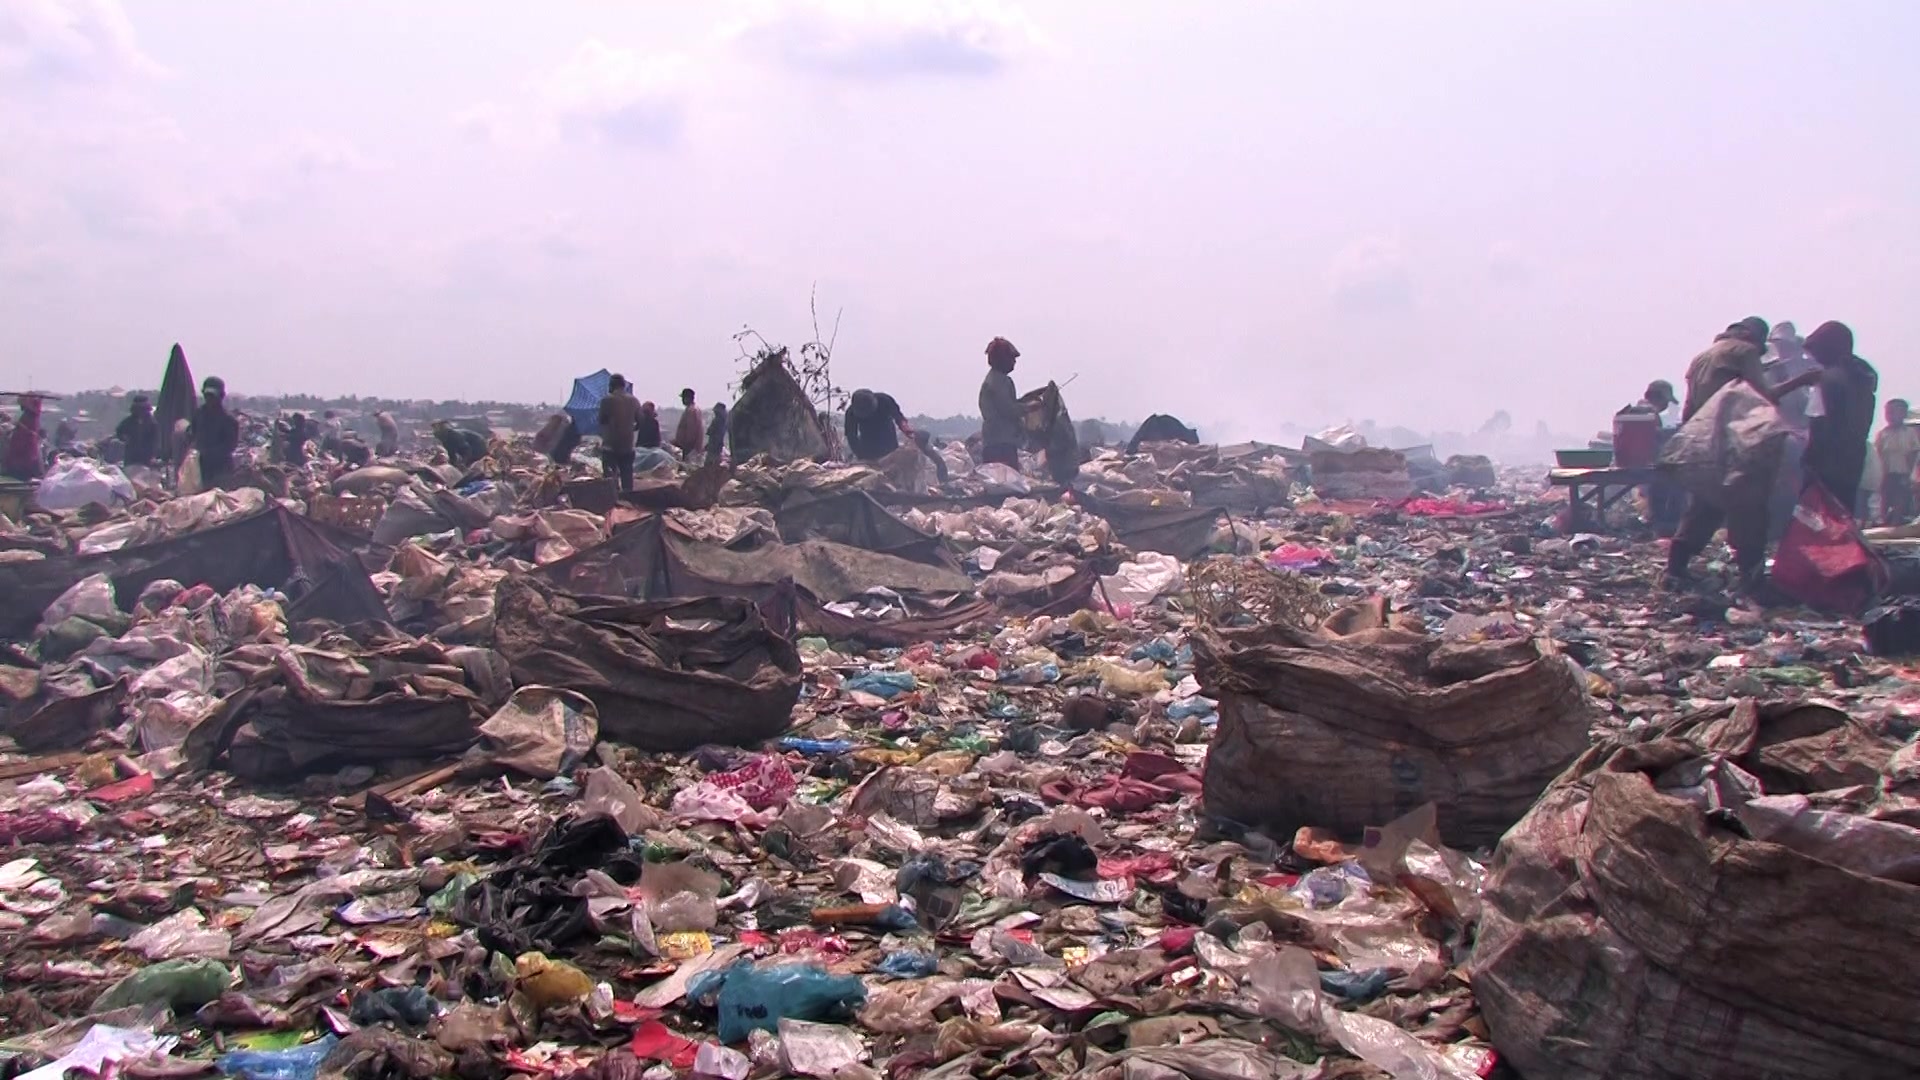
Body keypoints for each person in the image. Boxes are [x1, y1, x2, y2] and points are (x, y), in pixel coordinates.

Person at [1667, 318, 1813, 588]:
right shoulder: (1743, 352)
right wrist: (1803, 380)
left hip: (1707, 442)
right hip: (1737, 442)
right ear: (1754, 337)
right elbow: (1763, 395)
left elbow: (1688, 410)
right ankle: (1751, 574)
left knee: (1703, 506)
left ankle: (1675, 568)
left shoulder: (1701, 358)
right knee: (1750, 508)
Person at [186, 377, 241, 489]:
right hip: (201, 467)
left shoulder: (228, 419)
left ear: (221, 396)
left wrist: (210, 452)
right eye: (207, 395)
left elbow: (231, 445)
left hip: (221, 469)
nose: (209, 399)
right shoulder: (199, 414)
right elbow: (192, 434)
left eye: (212, 396)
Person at [979, 337, 1023, 468]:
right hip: (1001, 444)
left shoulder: (992, 379)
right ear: (1002, 359)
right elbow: (1009, 410)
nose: (1014, 362)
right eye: (1011, 358)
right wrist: (1029, 407)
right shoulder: (1000, 381)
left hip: (992, 442)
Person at [1874, 398, 1919, 525]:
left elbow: (1913, 453)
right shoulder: (1882, 434)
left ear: (1904, 414)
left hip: (1903, 472)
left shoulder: (1909, 433)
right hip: (1886, 472)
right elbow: (1879, 454)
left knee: (1900, 499)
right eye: (1888, 413)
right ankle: (1883, 522)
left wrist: (1909, 474)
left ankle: (1896, 523)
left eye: (1895, 412)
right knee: (1885, 499)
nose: (1891, 416)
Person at [597, 374, 642, 492]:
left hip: (610, 446)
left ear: (612, 385)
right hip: (627, 446)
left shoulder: (606, 400)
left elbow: (602, 420)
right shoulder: (634, 401)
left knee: (610, 480)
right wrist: (630, 428)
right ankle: (628, 502)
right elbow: (640, 422)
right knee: (627, 478)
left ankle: (613, 502)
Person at [844, 389, 913, 462]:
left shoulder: (884, 400)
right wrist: (860, 455)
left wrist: (905, 428)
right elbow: (851, 437)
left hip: (888, 440)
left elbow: (898, 416)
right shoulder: (851, 413)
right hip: (868, 446)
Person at [3, 395, 45, 481]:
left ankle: (27, 474)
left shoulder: (33, 415)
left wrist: (18, 424)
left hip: (27, 441)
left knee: (28, 458)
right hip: (19, 439)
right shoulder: (24, 413)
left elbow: (30, 429)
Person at [116, 395, 160, 468]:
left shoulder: (152, 423)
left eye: (143, 409)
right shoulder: (128, 421)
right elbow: (119, 431)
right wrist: (124, 438)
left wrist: (153, 456)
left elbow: (155, 440)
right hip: (131, 454)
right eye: (138, 409)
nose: (140, 411)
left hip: (146, 456)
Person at [673, 389, 704, 462]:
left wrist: (686, 445)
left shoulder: (691, 410)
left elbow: (691, 430)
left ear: (688, 398)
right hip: (691, 447)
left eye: (683, 398)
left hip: (690, 448)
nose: (682, 400)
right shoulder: (694, 409)